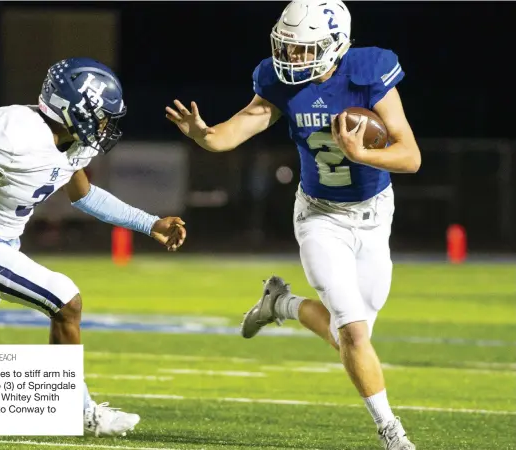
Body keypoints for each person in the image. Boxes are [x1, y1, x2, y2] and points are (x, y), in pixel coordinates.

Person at [165, 1, 420, 448]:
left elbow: (410, 156)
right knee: (354, 333)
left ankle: (280, 304)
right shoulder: (278, 82)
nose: (293, 58)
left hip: (376, 214)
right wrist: (204, 135)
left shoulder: (368, 73)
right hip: (320, 215)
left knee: (354, 337)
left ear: (337, 45)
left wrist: (362, 155)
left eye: (305, 50)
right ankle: (391, 432)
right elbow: (238, 127)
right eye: (288, 48)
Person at [0, 57, 187, 437]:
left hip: (1, 244)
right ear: (73, 109)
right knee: (66, 301)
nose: (105, 125)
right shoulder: (18, 134)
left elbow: (85, 196)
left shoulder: (70, 143)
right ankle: (77, 410)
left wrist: (149, 224)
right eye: (100, 115)